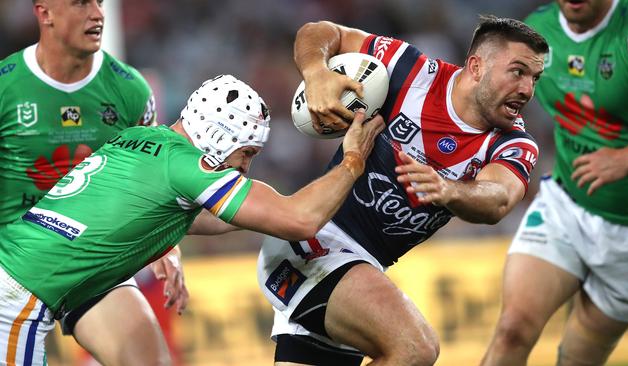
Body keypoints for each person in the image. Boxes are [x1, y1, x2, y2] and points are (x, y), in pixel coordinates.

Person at [0, 74, 384, 366]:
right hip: (18, 297)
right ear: (219, 136)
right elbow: (300, 221)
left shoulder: (141, 139)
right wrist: (352, 162)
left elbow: (195, 216)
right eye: (246, 153)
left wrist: (262, 214)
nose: (246, 167)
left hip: (19, 273)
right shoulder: (189, 166)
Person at [256, 15, 547, 365]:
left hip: (356, 273)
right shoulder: (409, 71)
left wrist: (450, 190)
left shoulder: (515, 142)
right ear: (476, 66)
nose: (527, 90)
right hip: (315, 241)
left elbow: (499, 198)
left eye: (535, 78)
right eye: (517, 72)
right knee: (415, 347)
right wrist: (317, 72)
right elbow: (319, 32)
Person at [0, 0, 188, 364]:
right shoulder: (6, 88)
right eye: (81, 3)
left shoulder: (130, 91)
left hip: (88, 260)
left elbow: (149, 184)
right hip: (12, 265)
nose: (97, 13)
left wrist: (169, 248)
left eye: (100, 3)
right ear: (45, 13)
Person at [481, 0, 628, 365]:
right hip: (566, 206)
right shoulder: (538, 32)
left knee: (577, 357)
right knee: (512, 329)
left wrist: (627, 157)